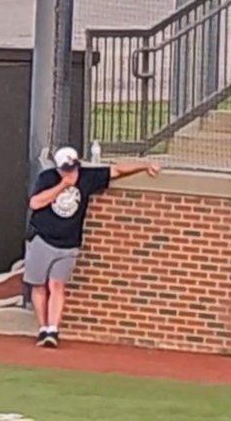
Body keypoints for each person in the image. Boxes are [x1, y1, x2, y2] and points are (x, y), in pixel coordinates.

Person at [23, 145, 158, 347]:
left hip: (69, 243)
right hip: (43, 238)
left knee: (57, 285)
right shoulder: (47, 178)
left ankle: (53, 330)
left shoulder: (86, 177)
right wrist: (63, 186)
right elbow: (35, 203)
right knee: (39, 285)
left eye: (74, 167)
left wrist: (145, 165)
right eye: (67, 168)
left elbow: (117, 170)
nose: (72, 172)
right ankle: (43, 327)